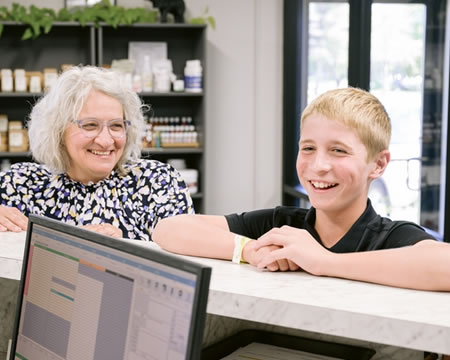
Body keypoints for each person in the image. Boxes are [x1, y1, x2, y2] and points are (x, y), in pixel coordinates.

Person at [153, 87, 450, 291]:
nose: (318, 165)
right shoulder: (281, 228)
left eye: (338, 151)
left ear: (378, 164)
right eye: (308, 148)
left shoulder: (390, 237)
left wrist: (325, 261)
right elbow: (168, 229)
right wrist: (249, 250)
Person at [0, 65, 193, 239]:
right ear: (58, 130)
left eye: (116, 125)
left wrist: (126, 250)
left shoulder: (157, 182)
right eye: (90, 125)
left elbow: (185, 262)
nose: (106, 140)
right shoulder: (20, 184)